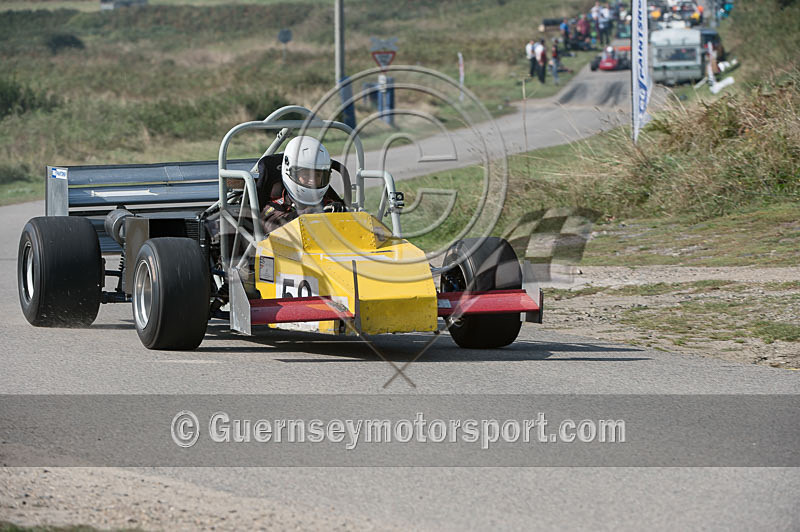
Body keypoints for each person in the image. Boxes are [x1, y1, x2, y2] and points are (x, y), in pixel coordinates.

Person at [260, 136, 345, 234]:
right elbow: (273, 225)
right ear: (288, 171)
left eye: (317, 175)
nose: (312, 181)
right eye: (306, 175)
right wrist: (313, 214)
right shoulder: (275, 206)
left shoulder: (330, 203)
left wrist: (341, 215)